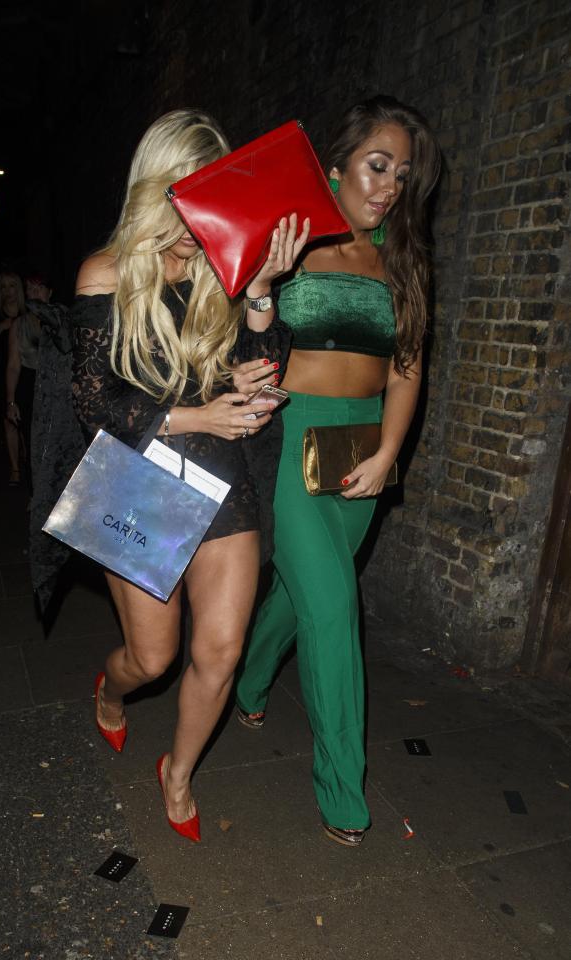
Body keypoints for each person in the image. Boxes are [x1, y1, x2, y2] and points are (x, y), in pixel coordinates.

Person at [71, 109, 309, 842]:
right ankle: (111, 694)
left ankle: (177, 771)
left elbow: (265, 367)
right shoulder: (106, 272)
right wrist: (201, 412)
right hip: (138, 477)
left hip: (219, 478)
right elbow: (96, 404)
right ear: (160, 188)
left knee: (222, 649)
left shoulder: (220, 265)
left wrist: (264, 289)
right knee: (152, 657)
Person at [235, 96, 441, 846]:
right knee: (332, 606)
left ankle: (250, 683)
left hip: (363, 447)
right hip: (289, 436)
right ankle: (343, 795)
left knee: (303, 596)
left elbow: (408, 366)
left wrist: (390, 451)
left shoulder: (403, 257)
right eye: (375, 166)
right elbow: (241, 335)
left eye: (400, 174)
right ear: (336, 166)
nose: (387, 185)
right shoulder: (295, 242)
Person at [0, 270, 26, 485]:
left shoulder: (29, 313)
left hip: (28, 374)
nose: (8, 291)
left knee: (27, 421)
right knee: (9, 421)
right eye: (3, 286)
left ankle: (28, 459)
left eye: (12, 285)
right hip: (3, 375)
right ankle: (15, 468)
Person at [5, 287, 40, 492]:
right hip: (29, 385)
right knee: (31, 442)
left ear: (50, 292)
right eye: (31, 289)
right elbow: (13, 366)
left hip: (56, 388)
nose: (35, 294)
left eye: (40, 289)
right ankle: (34, 494)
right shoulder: (19, 324)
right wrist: (11, 401)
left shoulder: (61, 319)